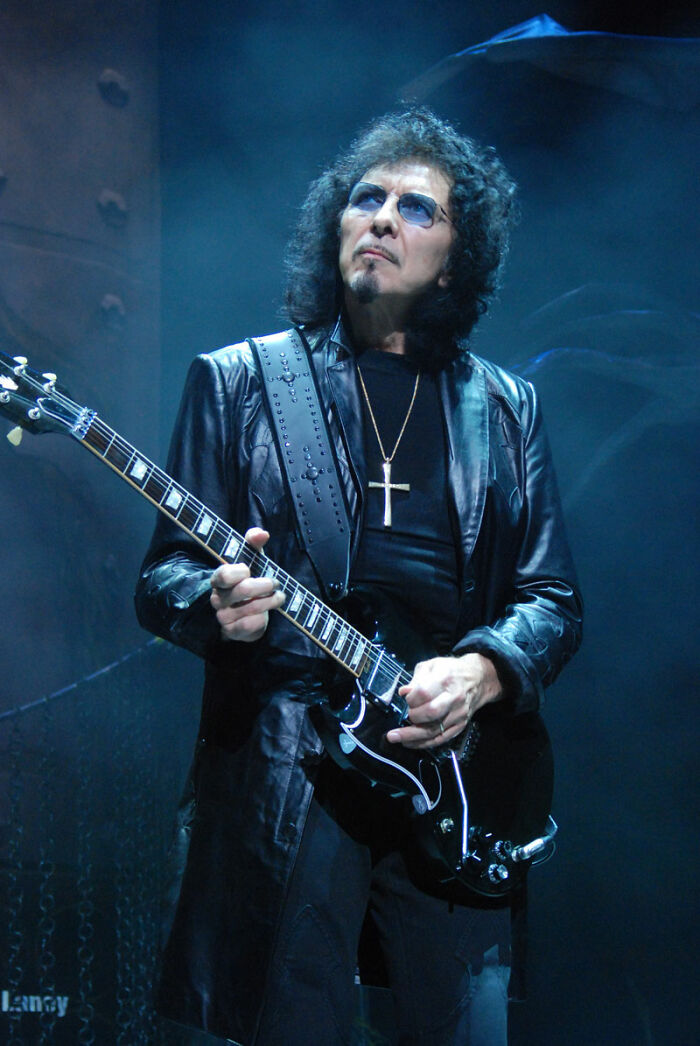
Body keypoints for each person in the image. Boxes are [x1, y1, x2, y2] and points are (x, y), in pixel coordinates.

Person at [135, 108, 583, 1046]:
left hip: (453, 777)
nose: (381, 217)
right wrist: (215, 606)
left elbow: (552, 601)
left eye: (418, 208)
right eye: (365, 198)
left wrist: (481, 673)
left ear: (455, 260)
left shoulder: (507, 409)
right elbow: (165, 574)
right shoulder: (242, 382)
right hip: (291, 770)